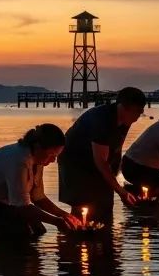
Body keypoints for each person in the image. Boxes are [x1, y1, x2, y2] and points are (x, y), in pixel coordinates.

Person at [0, 124, 83, 237]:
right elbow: (22, 206)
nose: (53, 160)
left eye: (56, 156)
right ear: (38, 146)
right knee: (22, 233)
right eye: (51, 155)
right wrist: (57, 222)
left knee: (39, 230)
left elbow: (38, 198)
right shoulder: (19, 161)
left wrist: (65, 216)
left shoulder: (38, 159)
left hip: (4, 202)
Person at [58, 87, 147, 221]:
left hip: (96, 162)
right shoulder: (102, 120)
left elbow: (117, 148)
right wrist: (120, 191)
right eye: (137, 112)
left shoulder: (125, 119)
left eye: (140, 112)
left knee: (105, 204)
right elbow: (100, 160)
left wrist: (116, 177)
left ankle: (104, 235)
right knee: (83, 203)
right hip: (75, 162)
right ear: (124, 107)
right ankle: (75, 235)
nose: (137, 117)